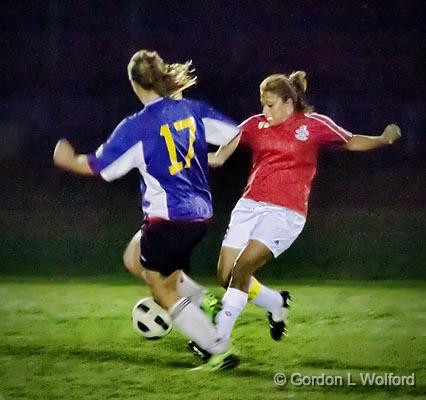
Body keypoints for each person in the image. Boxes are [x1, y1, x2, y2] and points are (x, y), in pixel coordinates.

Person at [53, 49, 240, 371]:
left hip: (168, 220)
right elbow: (236, 132)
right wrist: (219, 156)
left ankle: (216, 349)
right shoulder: (192, 109)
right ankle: (205, 303)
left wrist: (68, 161)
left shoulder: (137, 126)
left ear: (135, 85)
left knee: (162, 288)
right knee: (133, 257)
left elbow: (97, 166)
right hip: (199, 213)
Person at [206, 71, 401, 346]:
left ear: (289, 102)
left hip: (285, 214)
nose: (265, 111)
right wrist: (185, 160)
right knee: (226, 277)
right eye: (262, 104)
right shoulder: (254, 124)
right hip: (248, 207)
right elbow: (219, 157)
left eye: (270, 105)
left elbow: (351, 140)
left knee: (241, 270)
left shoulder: (313, 125)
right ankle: (276, 302)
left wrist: (381, 139)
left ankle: (217, 341)